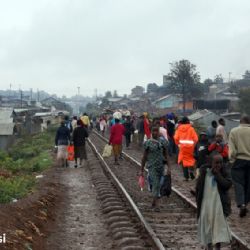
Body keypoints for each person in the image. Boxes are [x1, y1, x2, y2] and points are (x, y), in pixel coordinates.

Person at [196, 152, 232, 250]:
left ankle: (218, 247)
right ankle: (209, 246)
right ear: (211, 163)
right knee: (207, 226)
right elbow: (199, 187)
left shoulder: (224, 172)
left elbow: (227, 185)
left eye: (220, 163)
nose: (218, 165)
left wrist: (217, 175)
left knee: (219, 227)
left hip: (218, 206)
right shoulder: (204, 172)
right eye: (216, 163)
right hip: (206, 204)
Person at [141, 126, 171, 211]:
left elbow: (166, 155)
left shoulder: (163, 142)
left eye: (156, 131)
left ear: (159, 132)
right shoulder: (148, 143)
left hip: (161, 167)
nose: (154, 133)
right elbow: (144, 157)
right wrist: (141, 170)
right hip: (152, 167)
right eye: (153, 131)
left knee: (160, 184)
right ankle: (157, 205)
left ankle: (154, 202)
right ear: (151, 132)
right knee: (156, 183)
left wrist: (169, 168)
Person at [229, 115, 250, 217]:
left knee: (238, 183)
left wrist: (232, 160)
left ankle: (241, 204)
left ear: (240, 122)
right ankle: (245, 204)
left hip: (239, 160)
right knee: (248, 184)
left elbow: (232, 150)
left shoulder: (234, 131)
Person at [174, 117, 198, 181]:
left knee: (183, 161)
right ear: (188, 122)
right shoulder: (191, 129)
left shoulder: (178, 129)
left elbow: (176, 138)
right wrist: (193, 146)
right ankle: (191, 172)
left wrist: (179, 145)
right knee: (190, 160)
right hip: (190, 148)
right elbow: (196, 139)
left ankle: (186, 177)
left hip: (182, 148)